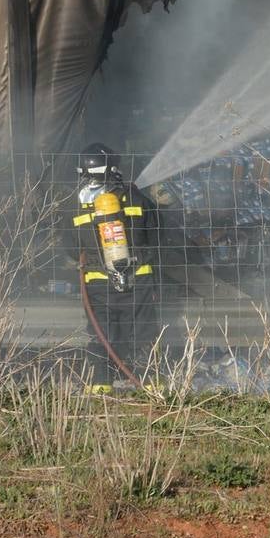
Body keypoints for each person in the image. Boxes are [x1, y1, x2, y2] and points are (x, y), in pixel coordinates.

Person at [72, 143, 159, 387]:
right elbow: (156, 235)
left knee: (102, 332)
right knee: (144, 331)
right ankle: (149, 382)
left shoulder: (77, 204)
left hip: (98, 282)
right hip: (138, 278)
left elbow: (70, 246)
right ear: (114, 168)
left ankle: (101, 382)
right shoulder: (137, 198)